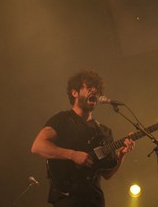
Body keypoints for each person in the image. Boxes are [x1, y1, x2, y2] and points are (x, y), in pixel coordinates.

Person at [31, 70, 135, 207]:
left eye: (97, 88)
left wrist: (121, 155)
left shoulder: (104, 131)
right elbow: (37, 146)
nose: (95, 90)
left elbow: (107, 174)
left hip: (95, 200)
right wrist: (72, 155)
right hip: (68, 198)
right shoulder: (62, 120)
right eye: (89, 87)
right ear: (75, 93)